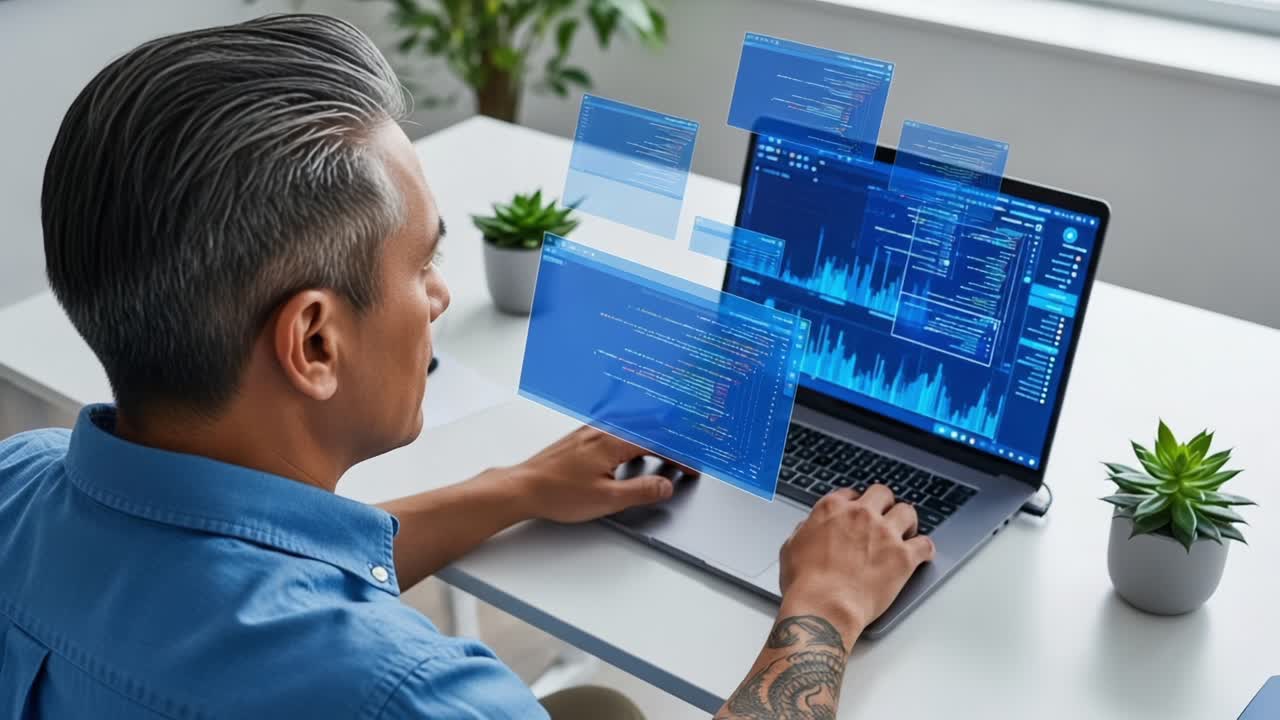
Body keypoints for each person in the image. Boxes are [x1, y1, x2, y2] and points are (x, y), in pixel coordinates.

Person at [0, 14, 934, 720]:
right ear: (315, 343)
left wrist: (515, 488)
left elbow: (245, 565)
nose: (439, 297)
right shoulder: (409, 693)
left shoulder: (20, 480)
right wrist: (824, 605)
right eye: (421, 264)